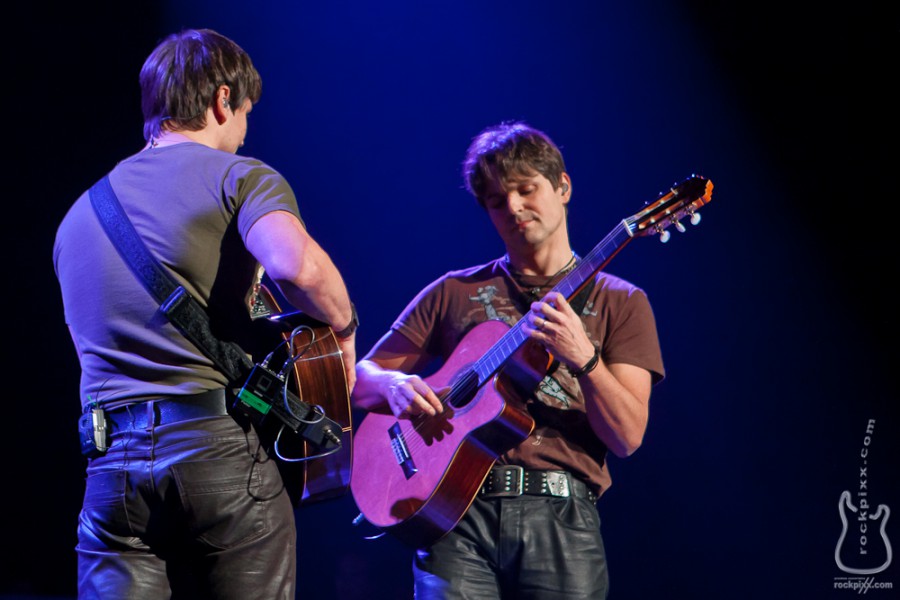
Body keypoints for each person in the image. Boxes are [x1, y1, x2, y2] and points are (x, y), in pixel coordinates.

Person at [53, 28, 358, 599]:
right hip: (215, 452)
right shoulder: (240, 178)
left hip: (110, 469)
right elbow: (297, 267)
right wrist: (343, 327)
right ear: (223, 100)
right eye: (245, 114)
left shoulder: (76, 218)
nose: (243, 135)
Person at [351, 121, 664, 598]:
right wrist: (394, 387)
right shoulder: (454, 291)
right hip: (454, 516)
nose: (514, 207)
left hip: (562, 519)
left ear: (563, 187)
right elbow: (359, 379)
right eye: (498, 201)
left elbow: (626, 438)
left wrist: (585, 359)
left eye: (526, 189)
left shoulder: (622, 301)